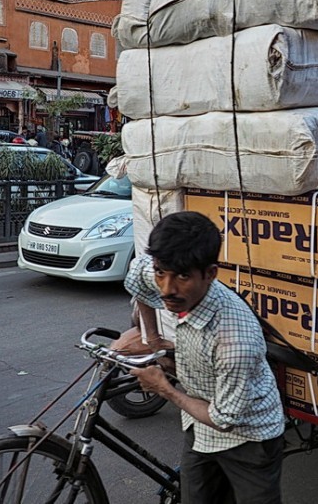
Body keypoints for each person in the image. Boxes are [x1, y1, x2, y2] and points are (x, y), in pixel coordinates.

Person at [115, 211, 285, 504]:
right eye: (161, 273)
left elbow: (224, 419)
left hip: (250, 438)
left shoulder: (235, 340)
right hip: (201, 430)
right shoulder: (165, 274)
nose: (167, 289)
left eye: (183, 277)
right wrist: (153, 340)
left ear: (210, 274)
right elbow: (137, 278)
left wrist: (164, 388)